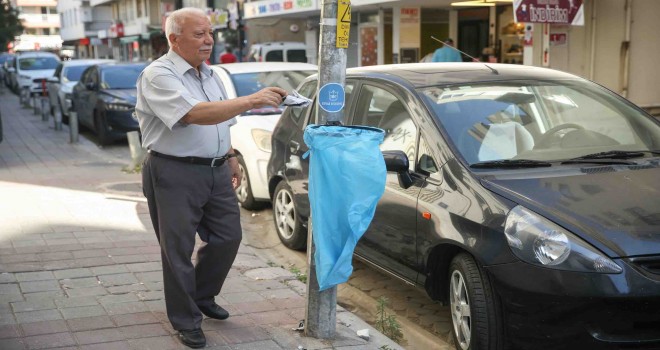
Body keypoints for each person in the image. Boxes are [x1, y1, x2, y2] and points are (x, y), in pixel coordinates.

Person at [135, 7, 286, 349]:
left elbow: (219, 120)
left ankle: (202, 295)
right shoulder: (159, 75)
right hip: (174, 170)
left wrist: (230, 155)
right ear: (174, 39)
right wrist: (251, 99)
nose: (208, 41)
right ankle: (186, 320)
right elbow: (192, 114)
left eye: (210, 33)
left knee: (227, 238)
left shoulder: (210, 74)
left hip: (216, 169)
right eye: (198, 34)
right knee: (177, 250)